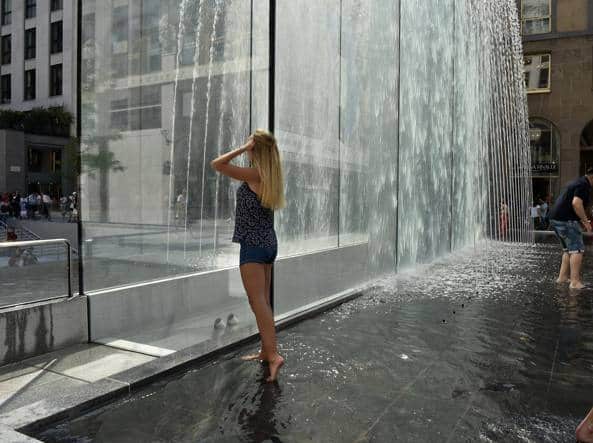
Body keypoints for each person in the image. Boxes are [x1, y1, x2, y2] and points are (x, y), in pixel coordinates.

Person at [210, 129, 285, 382]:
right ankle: (266, 350)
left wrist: (242, 149)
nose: (247, 145)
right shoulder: (271, 175)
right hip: (268, 242)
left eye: (250, 143)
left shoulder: (255, 174)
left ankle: (273, 355)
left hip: (253, 245)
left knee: (258, 303)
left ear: (255, 148)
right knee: (262, 301)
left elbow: (217, 164)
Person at [549, 167, 593, 289]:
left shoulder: (576, 182)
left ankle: (562, 277)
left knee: (568, 250)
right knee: (577, 250)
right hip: (566, 220)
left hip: (555, 218)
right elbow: (576, 203)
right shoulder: (584, 185)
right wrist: (586, 222)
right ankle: (575, 282)